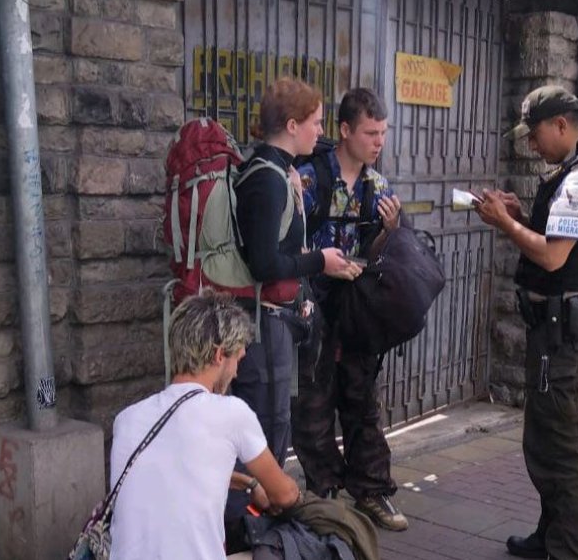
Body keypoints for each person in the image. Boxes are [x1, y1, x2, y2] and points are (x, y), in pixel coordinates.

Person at [473, 86, 578, 560]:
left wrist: (505, 223)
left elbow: (554, 256)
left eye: (535, 133)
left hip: (565, 334)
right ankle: (552, 535)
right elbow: (560, 238)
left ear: (561, 124)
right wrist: (520, 215)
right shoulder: (576, 172)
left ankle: (570, 550)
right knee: (543, 441)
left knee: (560, 446)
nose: (531, 145)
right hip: (556, 331)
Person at [228, 77, 360, 519]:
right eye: (316, 122)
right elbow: (264, 263)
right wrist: (320, 261)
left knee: (271, 425)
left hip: (272, 321)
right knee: (265, 430)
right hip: (263, 323)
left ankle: (259, 523)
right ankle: (252, 526)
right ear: (291, 125)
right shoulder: (267, 179)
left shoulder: (277, 170)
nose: (321, 132)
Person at [109, 290, 301, 560]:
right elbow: (284, 494)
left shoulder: (127, 419)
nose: (236, 372)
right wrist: (303, 502)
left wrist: (249, 483)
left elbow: (177, 471)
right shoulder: (232, 413)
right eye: (237, 360)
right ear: (219, 355)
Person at [291, 88, 408, 531]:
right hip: (314, 307)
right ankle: (325, 493)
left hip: (357, 310)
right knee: (313, 404)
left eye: (383, 133)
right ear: (344, 130)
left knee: (362, 401)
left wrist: (390, 229)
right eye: (370, 133)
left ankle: (372, 490)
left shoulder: (378, 187)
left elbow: (379, 254)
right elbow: (286, 244)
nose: (379, 142)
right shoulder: (308, 180)